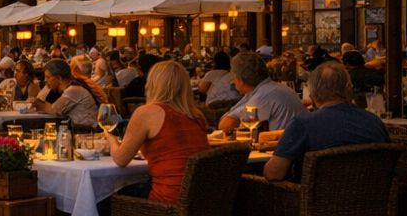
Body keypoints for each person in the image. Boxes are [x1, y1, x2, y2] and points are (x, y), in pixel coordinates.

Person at [264, 62, 388, 181]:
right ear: (349, 90)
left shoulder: (303, 125)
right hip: (374, 199)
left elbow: (274, 174)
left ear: (312, 95)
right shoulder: (374, 122)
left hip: (314, 201)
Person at [109, 61, 209, 204]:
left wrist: (110, 138)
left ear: (153, 84)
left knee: (103, 196)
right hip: (201, 199)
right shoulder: (197, 115)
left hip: (169, 200)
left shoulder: (148, 112)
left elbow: (120, 159)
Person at [219, 51, 305, 134]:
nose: (232, 81)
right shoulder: (269, 88)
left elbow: (226, 125)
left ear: (240, 80)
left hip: (285, 147)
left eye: (233, 77)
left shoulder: (264, 95)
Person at [38, 58, 98, 130]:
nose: (45, 80)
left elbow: (53, 111)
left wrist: (37, 103)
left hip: (88, 132)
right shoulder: (70, 88)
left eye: (48, 77)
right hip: (80, 129)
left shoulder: (73, 90)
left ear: (59, 78)